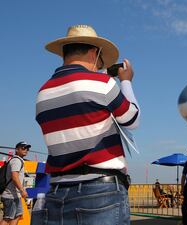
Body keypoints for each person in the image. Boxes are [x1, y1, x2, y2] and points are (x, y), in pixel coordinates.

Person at [32, 25, 140, 225]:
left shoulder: (42, 92)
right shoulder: (102, 84)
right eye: (100, 62)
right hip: (99, 192)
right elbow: (132, 119)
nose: (100, 67)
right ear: (93, 52)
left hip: (56, 193)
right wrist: (126, 82)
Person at [0, 141, 30, 225]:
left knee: (17, 215)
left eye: (27, 148)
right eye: (23, 148)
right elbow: (15, 177)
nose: (26, 150)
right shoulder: (16, 160)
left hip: (15, 195)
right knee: (7, 218)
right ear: (17, 149)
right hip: (10, 195)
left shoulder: (18, 160)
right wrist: (22, 190)